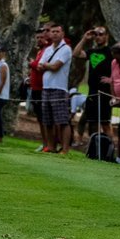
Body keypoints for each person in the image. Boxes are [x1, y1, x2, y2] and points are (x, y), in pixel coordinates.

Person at [73, 26, 114, 147]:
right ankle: (94, 147)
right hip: (92, 91)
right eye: (96, 35)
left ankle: (109, 148)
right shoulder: (92, 51)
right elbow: (76, 53)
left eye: (101, 34)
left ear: (106, 36)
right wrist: (85, 39)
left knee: (105, 123)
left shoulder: (111, 52)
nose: (98, 37)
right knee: (92, 121)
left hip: (105, 92)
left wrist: (112, 79)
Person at [38, 23, 74, 154]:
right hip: (46, 87)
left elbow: (55, 67)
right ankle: (51, 147)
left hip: (58, 88)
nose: (54, 34)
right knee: (47, 120)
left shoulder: (66, 49)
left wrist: (46, 65)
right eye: (52, 31)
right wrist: (48, 65)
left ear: (62, 33)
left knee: (62, 120)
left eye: (57, 31)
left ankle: (65, 149)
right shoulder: (47, 49)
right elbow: (39, 66)